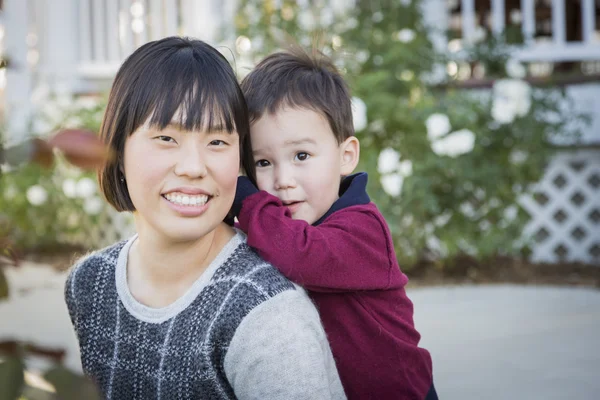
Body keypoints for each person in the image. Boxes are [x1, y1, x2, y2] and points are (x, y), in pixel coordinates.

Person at [64, 37, 346, 400]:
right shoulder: (89, 283)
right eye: (166, 137)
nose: (194, 168)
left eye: (217, 142)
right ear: (116, 151)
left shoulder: (268, 317)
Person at [233, 47, 438, 400]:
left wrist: (245, 198)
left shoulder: (363, 230)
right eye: (263, 163)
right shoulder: (279, 227)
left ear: (346, 156)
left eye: (301, 156)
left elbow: (298, 255)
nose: (282, 179)